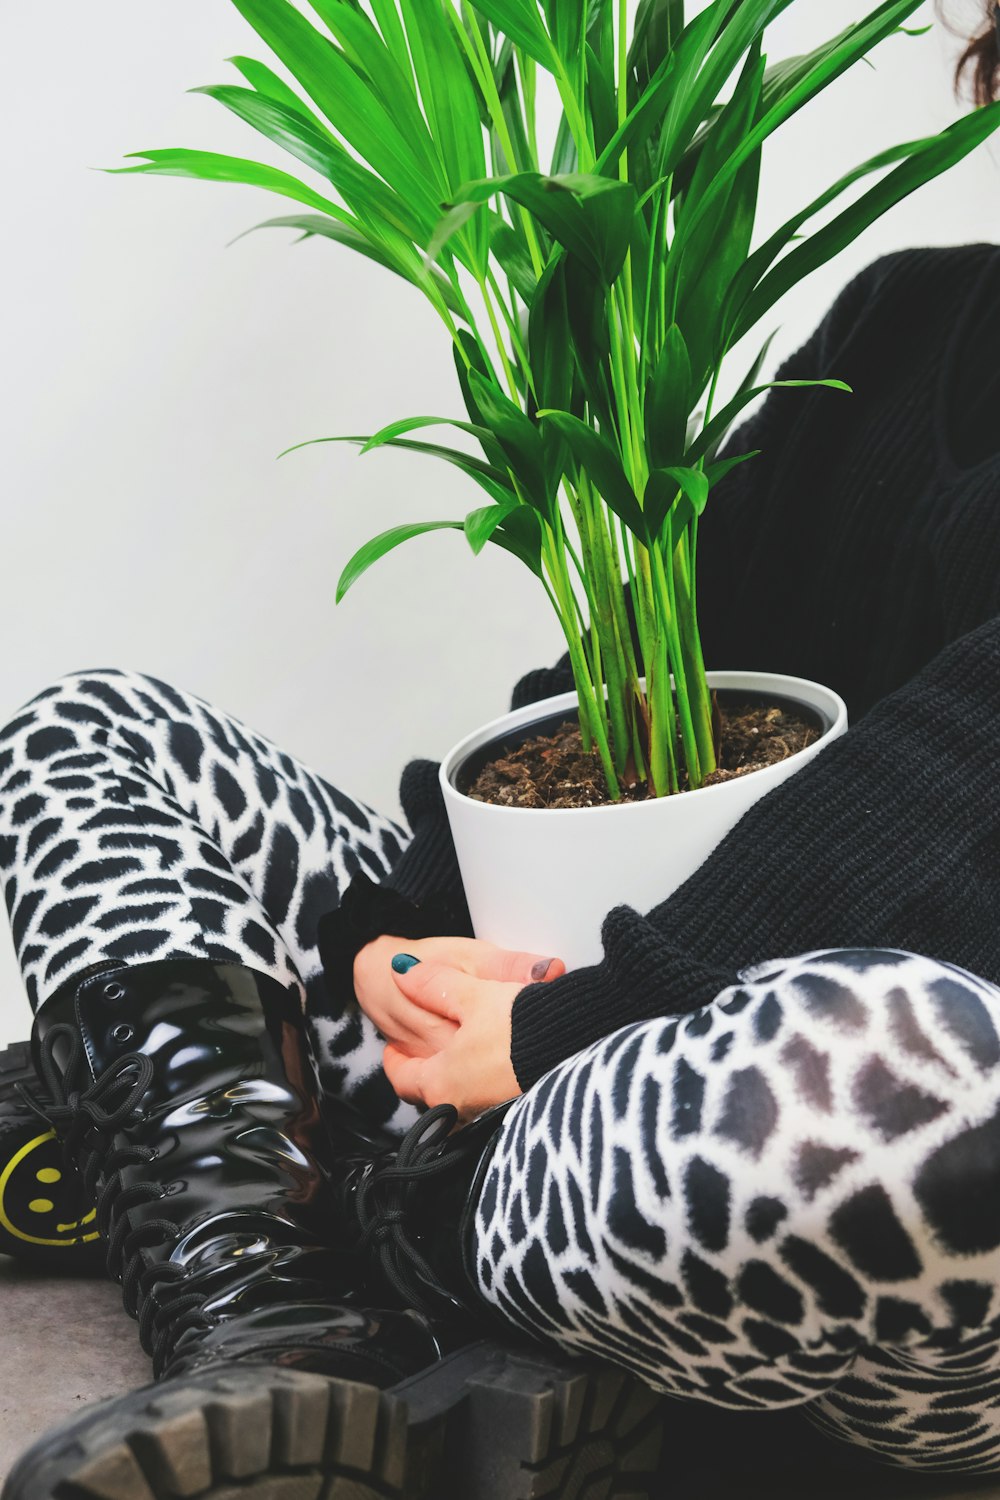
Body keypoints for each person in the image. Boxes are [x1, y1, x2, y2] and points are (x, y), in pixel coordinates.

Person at [3, 6, 1000, 1496]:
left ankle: (257, 1150)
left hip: (754, 1136)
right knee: (97, 730)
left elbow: (957, 777)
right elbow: (621, 695)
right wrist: (405, 942)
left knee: (917, 1073)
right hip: (537, 1055)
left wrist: (565, 1032)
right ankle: (273, 1323)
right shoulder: (899, 319)